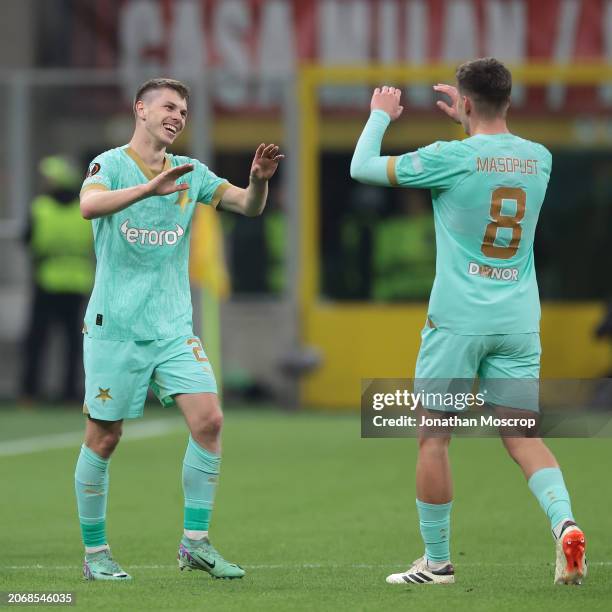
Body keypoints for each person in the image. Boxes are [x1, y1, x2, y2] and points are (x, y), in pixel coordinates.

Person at [350, 58, 586, 586]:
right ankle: (564, 523)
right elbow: (494, 154)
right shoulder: (539, 158)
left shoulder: (448, 157)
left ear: (466, 103)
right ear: (509, 100)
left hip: (457, 322)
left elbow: (361, 166)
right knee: (523, 435)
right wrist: (472, 118)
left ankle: (436, 563)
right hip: (519, 319)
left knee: (433, 438)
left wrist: (381, 115)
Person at [75, 78, 283, 581]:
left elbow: (247, 206)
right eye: (169, 107)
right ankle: (95, 555)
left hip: (171, 328)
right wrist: (149, 189)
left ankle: (195, 543)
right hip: (115, 327)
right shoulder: (110, 163)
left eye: (184, 112)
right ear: (140, 109)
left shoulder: (192, 173)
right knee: (104, 438)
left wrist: (258, 180)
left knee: (209, 421)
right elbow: (88, 205)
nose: (177, 116)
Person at [21, 156, 93, 403]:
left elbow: (28, 239)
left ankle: (30, 392)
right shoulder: (83, 207)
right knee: (73, 342)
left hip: (47, 280)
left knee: (37, 340)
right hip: (78, 281)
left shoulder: (41, 207)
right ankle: (70, 393)